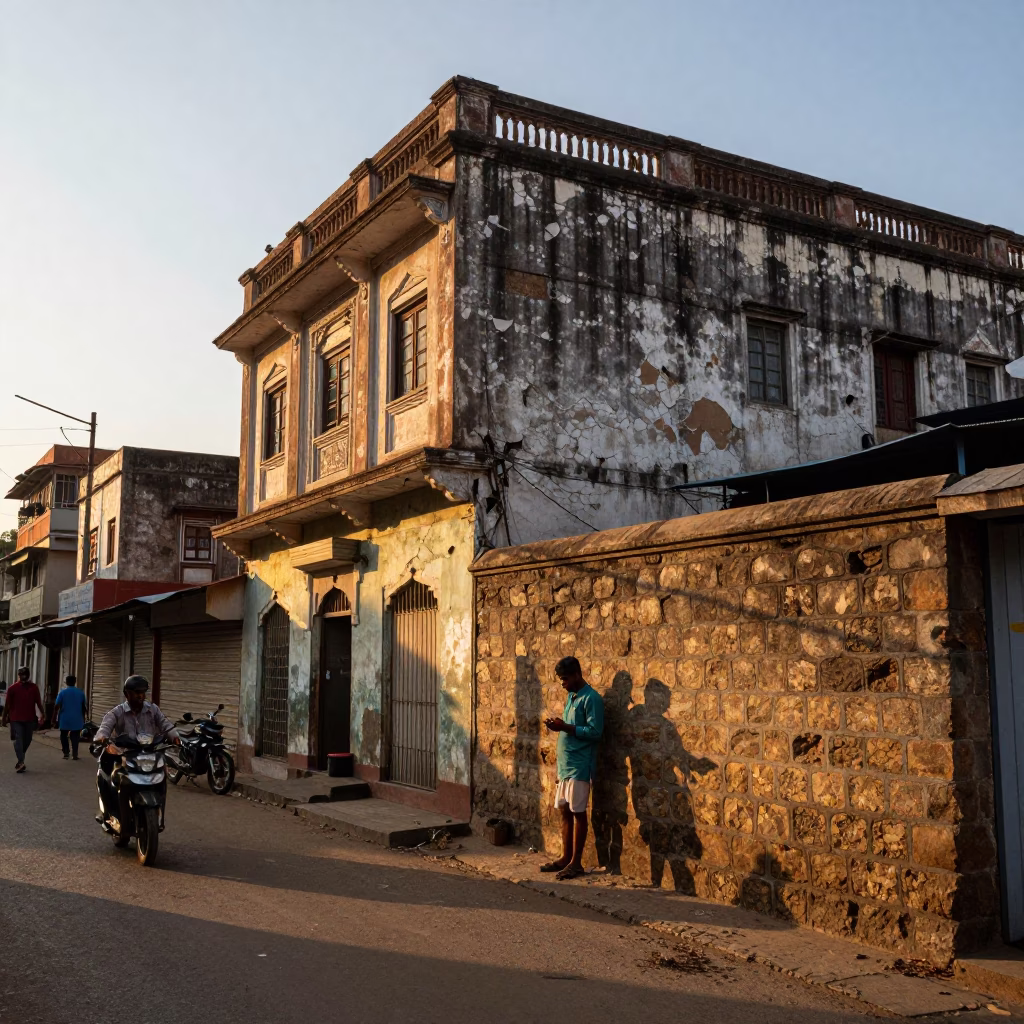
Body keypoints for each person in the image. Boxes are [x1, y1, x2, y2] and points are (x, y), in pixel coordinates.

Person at [541, 655, 604, 881]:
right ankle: (565, 857)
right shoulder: (572, 697)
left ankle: (576, 863)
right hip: (566, 766)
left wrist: (565, 727)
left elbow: (595, 732)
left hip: (579, 766)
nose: (563, 683)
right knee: (564, 812)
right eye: (561, 680)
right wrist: (559, 726)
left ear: (577, 674)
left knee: (578, 813)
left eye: (565, 679)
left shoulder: (591, 699)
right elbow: (570, 727)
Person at [92, 675, 179, 822]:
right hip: (125, 754)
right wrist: (105, 741)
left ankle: (158, 815)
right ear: (127, 694)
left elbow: (165, 724)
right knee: (105, 775)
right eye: (136, 692)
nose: (140, 696)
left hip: (149, 754)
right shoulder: (117, 712)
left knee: (162, 775)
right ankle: (109, 813)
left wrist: (175, 737)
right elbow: (104, 728)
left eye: (142, 692)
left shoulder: (152, 709)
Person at [1, 666, 45, 773]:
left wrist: (43, 714)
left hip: (29, 718)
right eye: (21, 674)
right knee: (19, 740)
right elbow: (7, 705)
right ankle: (21, 761)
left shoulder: (33, 688)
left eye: (25, 674)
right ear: (18, 675)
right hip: (16, 719)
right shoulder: (12, 688)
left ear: (28, 675)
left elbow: (38, 702)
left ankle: (21, 755)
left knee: (28, 739)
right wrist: (4, 717)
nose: (23, 676)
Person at [53, 674, 88, 760]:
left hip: (65, 718)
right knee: (75, 736)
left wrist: (53, 718)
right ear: (75, 682)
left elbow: (57, 706)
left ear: (66, 682)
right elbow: (84, 707)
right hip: (77, 718)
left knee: (63, 735)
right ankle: (75, 754)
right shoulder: (80, 692)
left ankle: (66, 752)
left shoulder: (62, 692)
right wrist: (84, 718)